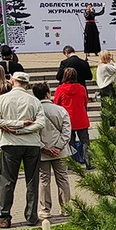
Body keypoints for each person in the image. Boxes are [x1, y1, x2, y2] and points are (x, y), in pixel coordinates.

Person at [0, 71, 46, 228]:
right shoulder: (34, 101)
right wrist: (22, 126)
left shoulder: (2, 100)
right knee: (32, 181)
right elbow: (41, 123)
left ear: (12, 81)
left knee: (7, 180)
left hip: (10, 143)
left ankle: (4, 217)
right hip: (32, 144)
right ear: (26, 84)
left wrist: (15, 128)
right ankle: (31, 216)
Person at [32, 82, 71, 220]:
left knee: (44, 180)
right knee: (63, 179)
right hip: (60, 151)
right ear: (48, 93)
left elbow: (33, 133)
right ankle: (66, 208)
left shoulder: (34, 112)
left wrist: (44, 147)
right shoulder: (60, 110)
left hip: (42, 152)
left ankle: (45, 209)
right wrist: (58, 147)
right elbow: (67, 131)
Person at [53, 69, 91, 169]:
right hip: (81, 118)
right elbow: (85, 102)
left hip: (67, 119)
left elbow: (56, 104)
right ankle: (88, 162)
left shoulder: (60, 89)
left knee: (70, 142)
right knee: (85, 142)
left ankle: (73, 163)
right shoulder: (81, 88)